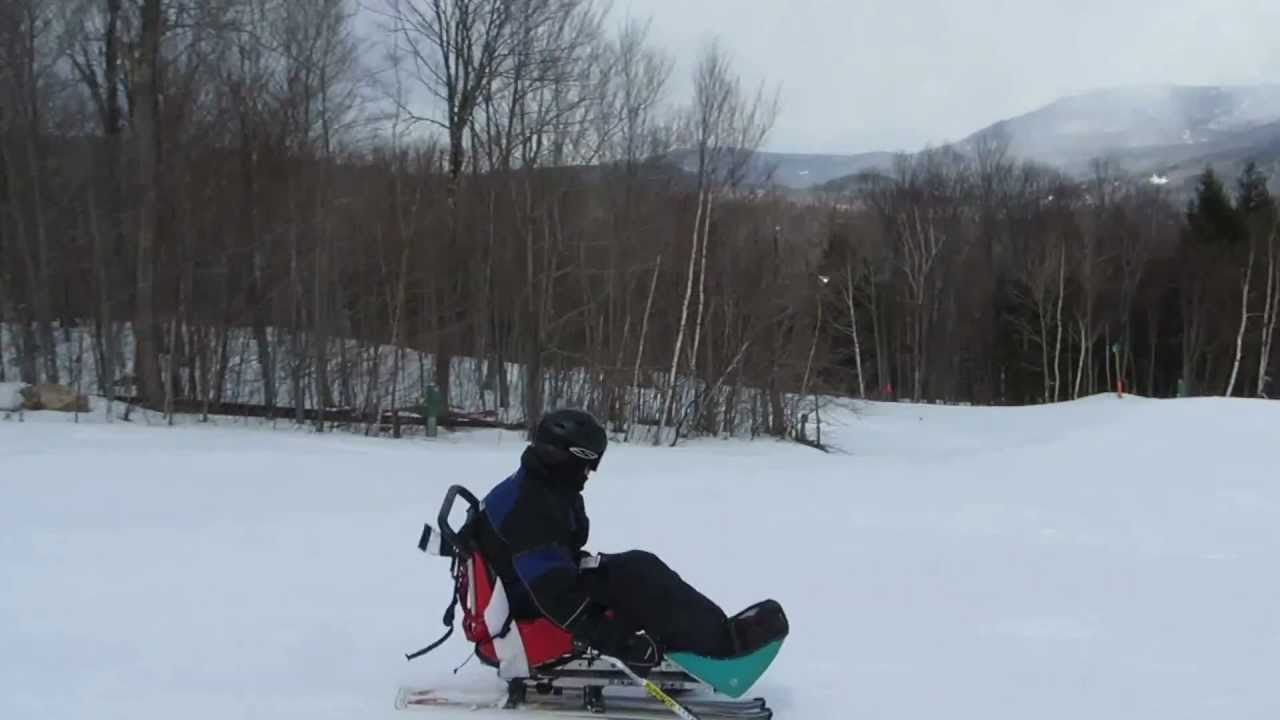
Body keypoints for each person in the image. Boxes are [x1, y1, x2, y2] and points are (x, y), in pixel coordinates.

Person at [470, 408, 737, 672]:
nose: (590, 472)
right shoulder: (532, 506)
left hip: (533, 588)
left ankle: (715, 637)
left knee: (640, 566)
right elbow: (553, 594)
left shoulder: (543, 485)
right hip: (532, 608)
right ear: (565, 457)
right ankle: (717, 651)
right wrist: (619, 643)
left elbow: (547, 565)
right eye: (588, 463)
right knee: (639, 579)